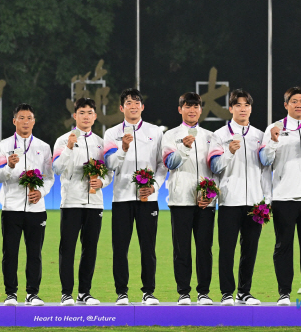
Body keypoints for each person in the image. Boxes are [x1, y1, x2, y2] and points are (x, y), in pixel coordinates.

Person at [259, 87, 301, 306]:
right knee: (283, 247)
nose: (299, 104)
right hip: (284, 197)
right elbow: (266, 160)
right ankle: (284, 293)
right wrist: (274, 141)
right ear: (285, 104)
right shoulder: (274, 128)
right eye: (294, 101)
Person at [103, 88, 167, 305]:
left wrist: (154, 186)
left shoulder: (155, 132)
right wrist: (123, 148)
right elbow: (109, 165)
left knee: (148, 247)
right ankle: (121, 292)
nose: (133, 105)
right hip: (121, 197)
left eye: (136, 102)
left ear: (142, 107)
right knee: (120, 247)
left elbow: (161, 164)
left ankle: (148, 292)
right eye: (128, 102)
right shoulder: (112, 133)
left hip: (147, 198)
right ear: (121, 108)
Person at [208, 89, 270, 306]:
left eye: (246, 105)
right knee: (226, 249)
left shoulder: (260, 136)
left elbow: (265, 170)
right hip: (229, 201)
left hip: (255, 203)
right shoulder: (219, 135)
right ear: (230, 109)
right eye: (238, 105)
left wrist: (266, 200)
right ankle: (227, 293)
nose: (243, 109)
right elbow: (214, 167)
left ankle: (244, 292)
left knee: (250, 249)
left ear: (251, 108)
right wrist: (228, 153)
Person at [0, 103, 53, 306]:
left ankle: (32, 294)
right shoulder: (3, 145)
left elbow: (50, 177)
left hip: (36, 209)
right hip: (11, 208)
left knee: (34, 253)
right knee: (10, 252)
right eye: (21, 118)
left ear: (34, 121)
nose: (25, 122)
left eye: (29, 118)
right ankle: (11, 293)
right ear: (14, 121)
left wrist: (41, 191)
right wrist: (9, 166)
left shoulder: (44, 147)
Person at [52, 98, 110, 306]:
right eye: (82, 112)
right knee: (67, 249)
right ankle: (66, 293)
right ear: (74, 115)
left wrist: (101, 181)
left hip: (95, 203)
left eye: (89, 112)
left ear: (95, 116)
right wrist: (68, 147)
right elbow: (57, 169)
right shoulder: (62, 140)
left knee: (90, 249)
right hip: (71, 203)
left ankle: (84, 292)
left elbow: (109, 172)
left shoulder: (101, 143)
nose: (86, 116)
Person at [161, 92, 216, 306]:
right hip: (180, 199)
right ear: (180, 109)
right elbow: (170, 164)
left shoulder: (211, 136)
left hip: (205, 203)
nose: (192, 110)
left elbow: (216, 170)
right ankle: (183, 292)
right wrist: (183, 147)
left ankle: (203, 292)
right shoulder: (170, 135)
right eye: (187, 106)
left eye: (196, 106)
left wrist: (210, 194)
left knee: (204, 248)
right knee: (181, 249)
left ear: (201, 110)